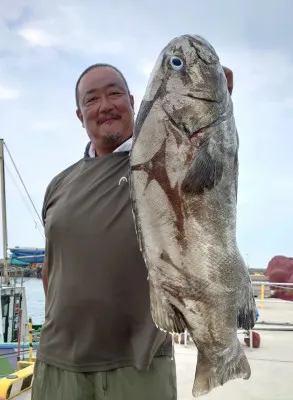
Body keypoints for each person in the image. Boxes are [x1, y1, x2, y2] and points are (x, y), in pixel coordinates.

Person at [31, 62, 234, 400]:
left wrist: (211, 95)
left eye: (113, 93)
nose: (105, 105)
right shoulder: (58, 186)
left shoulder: (163, 162)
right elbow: (54, 265)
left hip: (138, 364)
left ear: (131, 100)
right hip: (58, 363)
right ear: (80, 116)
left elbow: (206, 153)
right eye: (91, 99)